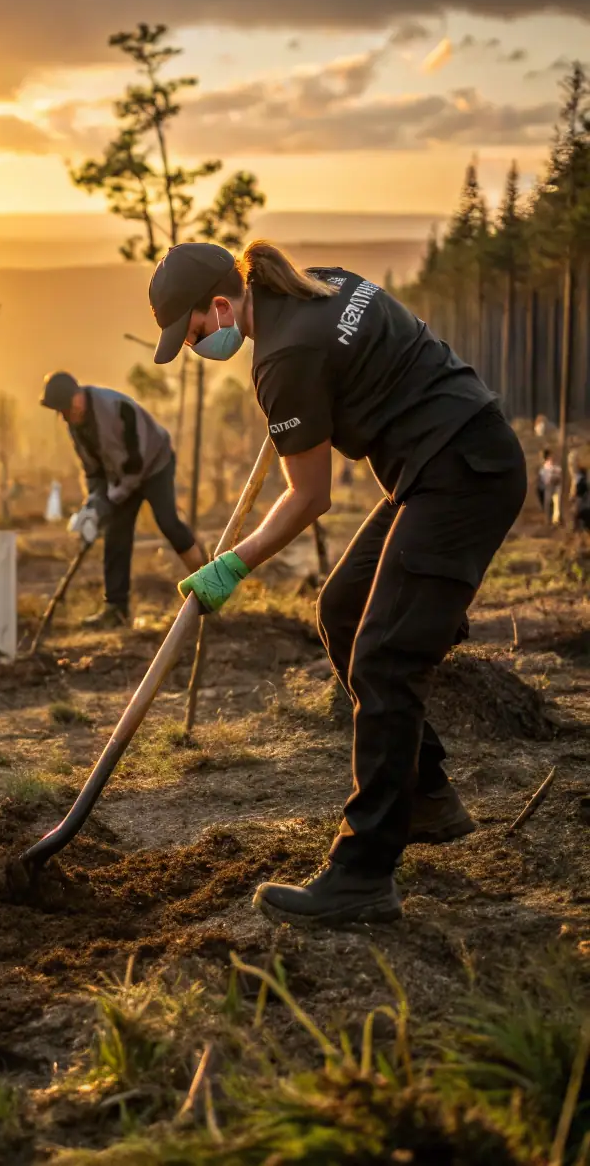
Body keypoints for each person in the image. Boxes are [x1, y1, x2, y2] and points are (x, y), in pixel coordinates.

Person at [150, 239, 527, 928]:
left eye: (196, 329)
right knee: (344, 610)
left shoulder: (284, 357)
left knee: (384, 655)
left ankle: (362, 874)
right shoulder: (318, 285)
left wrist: (231, 564)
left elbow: (309, 496)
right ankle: (426, 794)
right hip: (445, 461)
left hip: (461, 472)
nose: (200, 344)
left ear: (223, 303)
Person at [40, 371, 205, 627]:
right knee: (116, 533)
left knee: (168, 521)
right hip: (123, 476)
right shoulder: (76, 426)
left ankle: (209, 579)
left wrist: (111, 498)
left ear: (77, 397)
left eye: (64, 408)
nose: (63, 415)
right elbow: (93, 471)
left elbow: (135, 463)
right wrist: (93, 507)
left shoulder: (117, 408)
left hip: (154, 463)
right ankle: (115, 609)